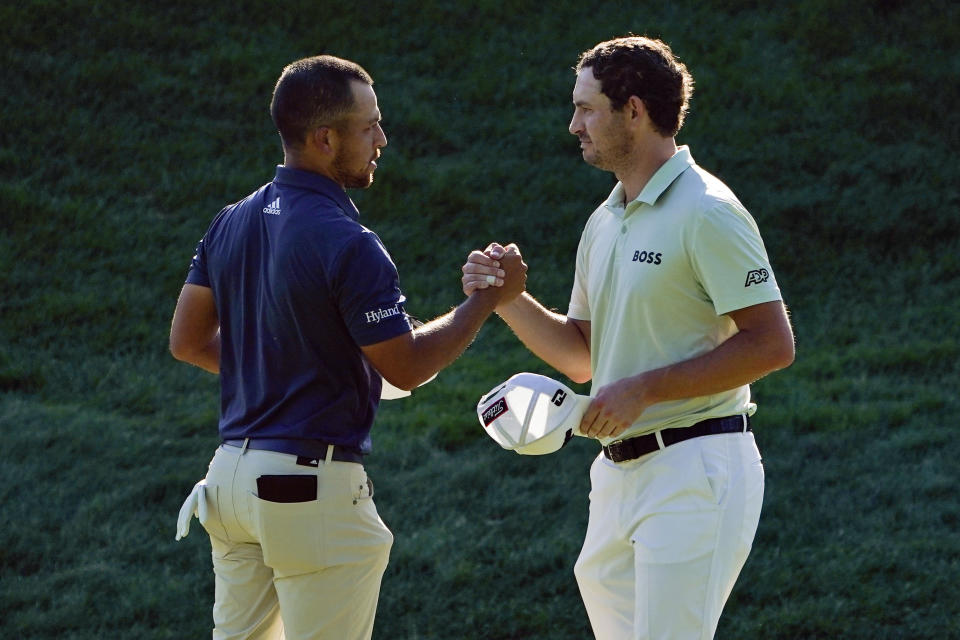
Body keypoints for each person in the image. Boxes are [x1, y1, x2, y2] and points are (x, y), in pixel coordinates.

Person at [169, 54, 525, 640]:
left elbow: (187, 341)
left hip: (228, 479)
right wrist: (484, 302)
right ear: (325, 139)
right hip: (307, 489)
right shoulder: (349, 241)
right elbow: (406, 367)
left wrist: (288, 367)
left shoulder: (228, 221)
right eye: (370, 126)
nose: (382, 139)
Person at [463, 36, 794, 639]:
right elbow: (583, 356)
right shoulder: (605, 219)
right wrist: (507, 301)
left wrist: (644, 390)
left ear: (633, 111)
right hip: (616, 477)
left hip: (697, 467)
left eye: (586, 108)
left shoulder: (709, 210)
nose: (574, 125)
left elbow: (772, 344)